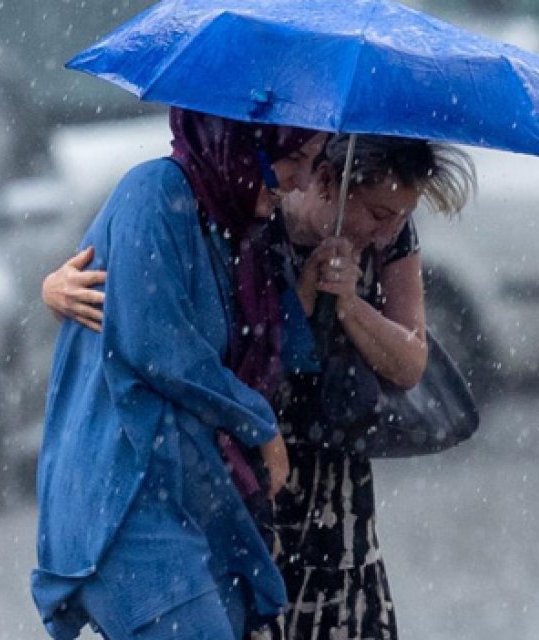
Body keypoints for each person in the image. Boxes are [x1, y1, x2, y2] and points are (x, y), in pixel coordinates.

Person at [42, 133, 475, 639]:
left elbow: (409, 361)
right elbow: (163, 320)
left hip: (326, 467)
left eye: (402, 215)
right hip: (244, 460)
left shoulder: (388, 237)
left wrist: (349, 304)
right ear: (329, 182)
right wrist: (56, 292)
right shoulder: (247, 208)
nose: (390, 230)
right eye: (380, 214)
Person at [31, 107, 326, 640]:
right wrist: (258, 423)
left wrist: (328, 284)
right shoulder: (154, 193)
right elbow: (157, 344)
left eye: (315, 162)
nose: (303, 181)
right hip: (126, 504)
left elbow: (273, 349)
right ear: (242, 141)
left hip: (195, 500)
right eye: (295, 158)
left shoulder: (235, 227)